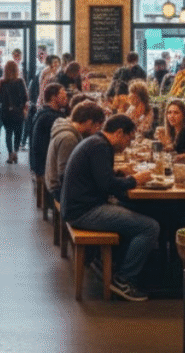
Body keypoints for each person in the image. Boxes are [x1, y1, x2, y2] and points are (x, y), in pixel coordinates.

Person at [60, 114, 158, 302]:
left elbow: (99, 177)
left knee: (132, 209)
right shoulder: (100, 147)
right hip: (84, 211)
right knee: (149, 227)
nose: (127, 145)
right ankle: (124, 279)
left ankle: (109, 262)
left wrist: (118, 172)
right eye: (128, 139)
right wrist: (134, 180)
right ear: (119, 133)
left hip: (77, 206)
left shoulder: (95, 142)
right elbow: (107, 186)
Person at [45, 100, 105, 201]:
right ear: (89, 123)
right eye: (97, 127)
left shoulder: (69, 129)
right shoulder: (69, 138)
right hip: (59, 190)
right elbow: (65, 176)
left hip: (58, 185)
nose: (97, 131)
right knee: (107, 195)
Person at [29, 83, 67, 178]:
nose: (66, 100)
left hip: (39, 167)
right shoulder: (51, 118)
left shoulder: (42, 113)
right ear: (54, 97)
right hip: (46, 169)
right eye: (63, 97)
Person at [0, 60, 28, 164]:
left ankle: (10, 153)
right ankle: (15, 152)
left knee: (8, 133)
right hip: (18, 112)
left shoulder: (2, 82)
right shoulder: (20, 81)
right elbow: (25, 97)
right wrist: (22, 108)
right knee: (18, 133)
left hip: (6, 112)